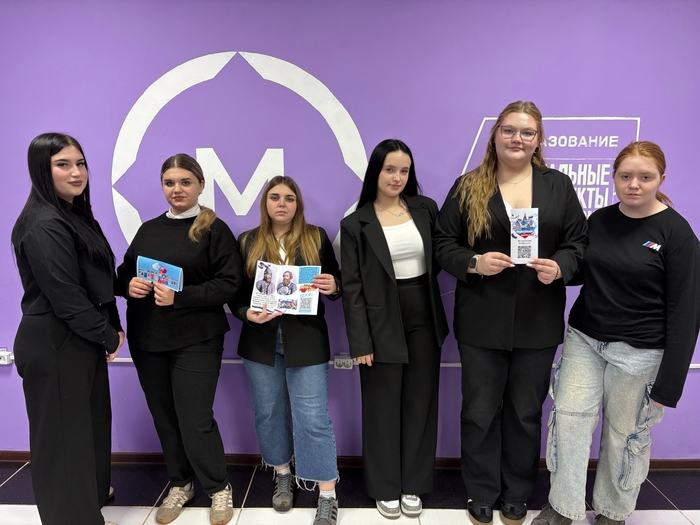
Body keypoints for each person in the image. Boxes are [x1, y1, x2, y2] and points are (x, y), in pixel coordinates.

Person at [434, 101, 588, 525]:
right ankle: (481, 491)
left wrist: (560, 267)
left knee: (525, 411)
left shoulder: (558, 186)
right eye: (509, 130)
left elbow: (578, 243)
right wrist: (474, 262)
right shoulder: (469, 185)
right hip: (481, 318)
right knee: (480, 411)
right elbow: (442, 242)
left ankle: (517, 492)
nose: (517, 139)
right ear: (495, 135)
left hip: (538, 319)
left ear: (538, 140)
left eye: (527, 132)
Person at [532, 141, 700, 525]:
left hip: (641, 352)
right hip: (585, 339)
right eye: (625, 176)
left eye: (645, 177)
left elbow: (687, 312)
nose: (634, 184)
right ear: (614, 177)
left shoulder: (677, 234)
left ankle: (612, 511)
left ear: (661, 179)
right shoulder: (600, 220)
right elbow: (583, 270)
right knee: (569, 422)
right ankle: (563, 506)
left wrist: (669, 385)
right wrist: (559, 270)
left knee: (623, 435)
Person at [116, 153, 241, 525]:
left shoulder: (215, 230)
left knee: (195, 419)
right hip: (147, 338)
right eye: (169, 183)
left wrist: (180, 296)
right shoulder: (148, 229)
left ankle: (218, 487)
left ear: (200, 185)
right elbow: (122, 273)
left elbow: (229, 284)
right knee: (165, 417)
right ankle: (180, 483)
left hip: (197, 338)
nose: (177, 189)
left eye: (185, 182)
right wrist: (128, 285)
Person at [12, 132, 124, 525]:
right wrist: (106, 335)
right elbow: (65, 294)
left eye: (80, 163)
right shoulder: (43, 223)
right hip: (53, 341)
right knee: (62, 442)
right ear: (42, 170)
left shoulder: (76, 215)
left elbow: (99, 278)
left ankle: (87, 507)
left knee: (88, 431)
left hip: (80, 339)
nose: (76, 172)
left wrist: (112, 325)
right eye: (63, 164)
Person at [340, 139, 449, 519]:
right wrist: (360, 342)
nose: (397, 177)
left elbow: (443, 255)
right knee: (382, 406)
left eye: (404, 170)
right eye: (390, 170)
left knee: (421, 402)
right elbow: (351, 287)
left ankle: (413, 483)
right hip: (379, 319)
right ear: (376, 171)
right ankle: (385, 486)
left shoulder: (426, 209)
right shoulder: (355, 222)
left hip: (424, 314)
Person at [231, 175, 341, 525]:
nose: (282, 204)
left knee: (313, 418)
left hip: (306, 339)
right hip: (260, 341)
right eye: (275, 197)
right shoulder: (247, 241)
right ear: (265, 203)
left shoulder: (316, 237)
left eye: (289, 198)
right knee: (268, 412)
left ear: (298, 204)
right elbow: (235, 294)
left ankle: (327, 493)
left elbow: (336, 284)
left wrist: (333, 285)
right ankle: (282, 473)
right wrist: (245, 313)